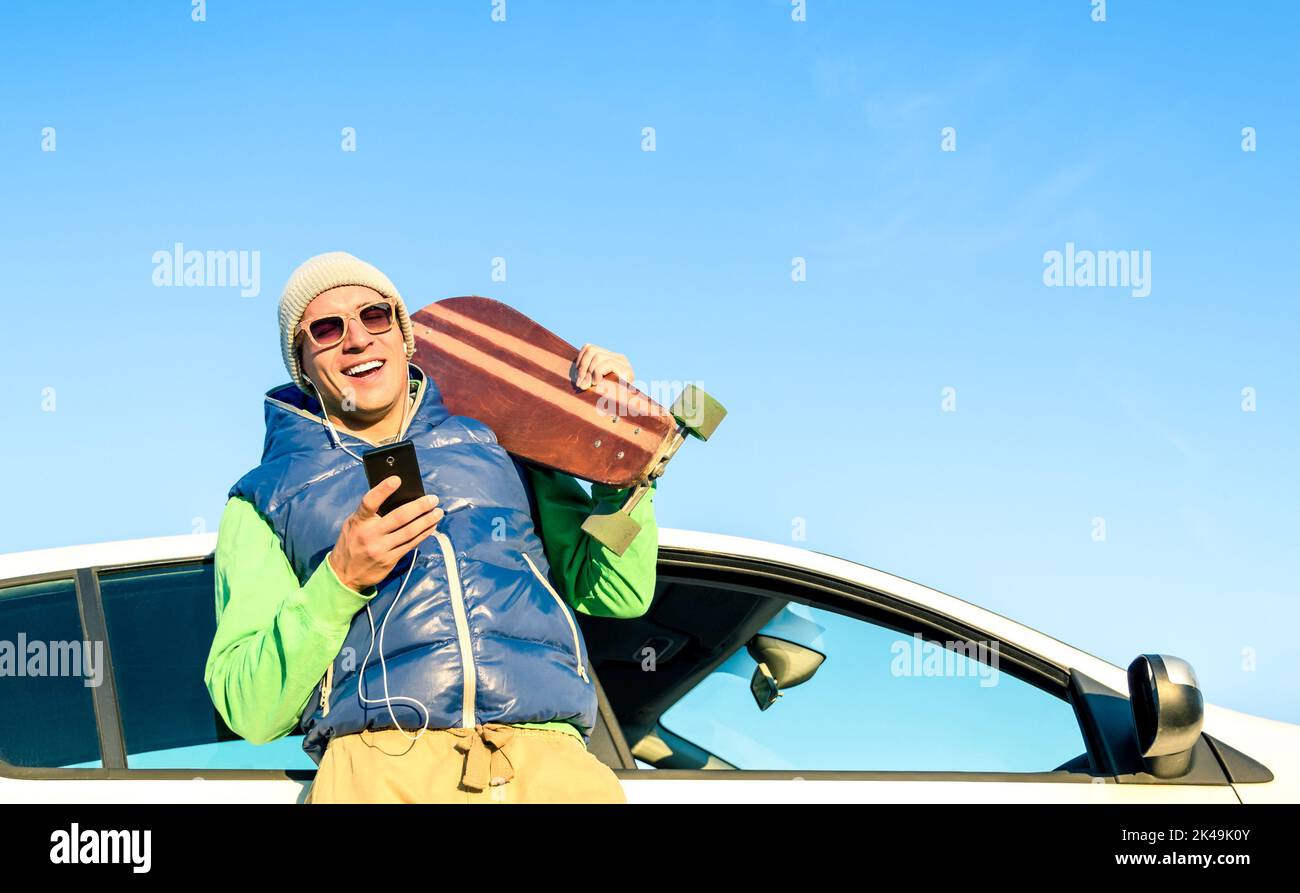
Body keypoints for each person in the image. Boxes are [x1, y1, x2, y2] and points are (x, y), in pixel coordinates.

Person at [203, 251, 658, 803]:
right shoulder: (263, 500)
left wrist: (617, 455)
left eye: (375, 316)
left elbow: (616, 590)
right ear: (300, 361)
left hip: (548, 772)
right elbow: (247, 706)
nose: (357, 339)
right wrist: (340, 579)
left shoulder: (501, 441)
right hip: (381, 776)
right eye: (326, 328)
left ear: (403, 333)